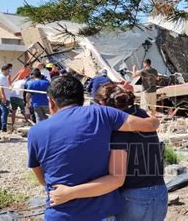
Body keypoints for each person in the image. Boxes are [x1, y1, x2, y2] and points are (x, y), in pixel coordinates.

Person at [27, 76, 160, 220]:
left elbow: (41, 176)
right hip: (101, 212)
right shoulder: (102, 114)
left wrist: (64, 191)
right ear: (82, 98)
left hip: (60, 213)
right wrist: (153, 119)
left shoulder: (35, 131)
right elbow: (149, 126)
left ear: (51, 102)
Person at [0, 66, 12, 132]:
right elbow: (0, 87)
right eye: (8, 71)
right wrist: (3, 97)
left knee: (0, 112)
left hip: (3, 97)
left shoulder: (4, 77)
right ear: (4, 70)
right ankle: (3, 127)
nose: (9, 72)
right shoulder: (2, 77)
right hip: (2, 98)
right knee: (5, 112)